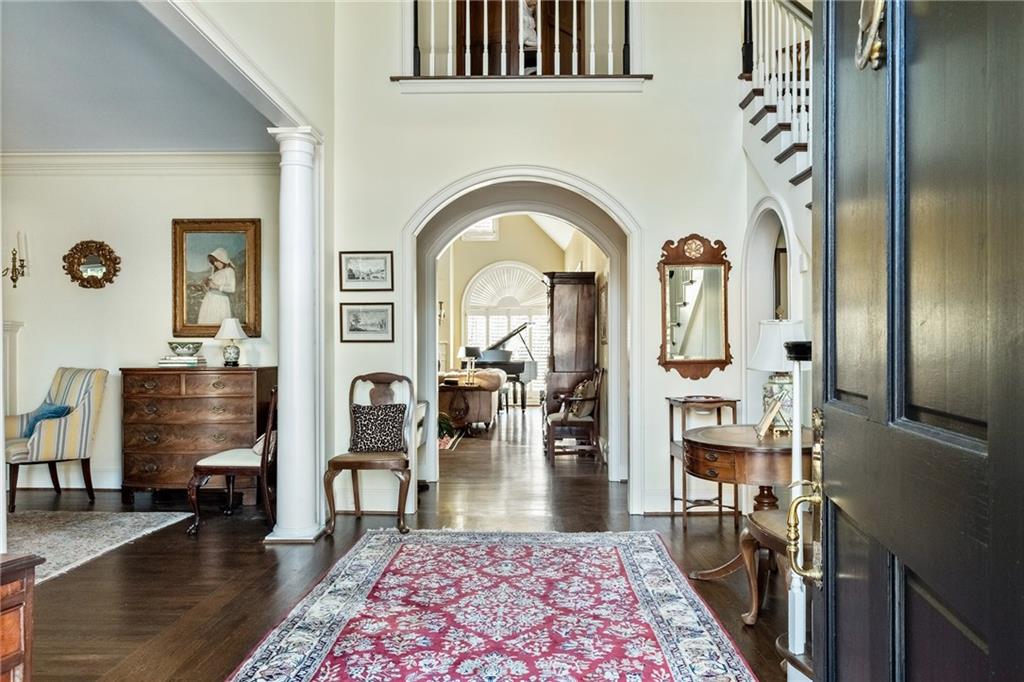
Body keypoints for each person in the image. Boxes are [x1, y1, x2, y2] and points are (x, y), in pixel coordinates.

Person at [196, 247, 236, 324]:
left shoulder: (229, 271)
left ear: (223, 259)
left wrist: (215, 286)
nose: (215, 264)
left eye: (217, 261)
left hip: (219, 301)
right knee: (206, 321)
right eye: (214, 262)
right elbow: (210, 287)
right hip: (209, 300)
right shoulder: (216, 272)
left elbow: (232, 288)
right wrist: (206, 285)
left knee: (217, 322)